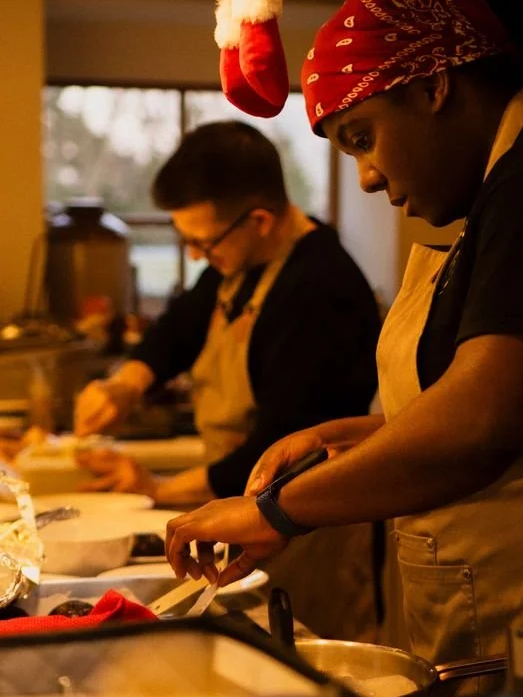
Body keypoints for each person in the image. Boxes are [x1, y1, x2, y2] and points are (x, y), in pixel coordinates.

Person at [164, 0, 523, 697]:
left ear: (433, 87)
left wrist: (274, 511)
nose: (365, 179)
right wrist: (358, 433)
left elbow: (481, 422)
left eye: (362, 137)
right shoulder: (504, 189)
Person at [74, 120, 382, 640]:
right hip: (246, 507)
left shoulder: (319, 290)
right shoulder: (241, 260)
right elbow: (178, 328)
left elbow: (281, 444)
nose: (196, 255)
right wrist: (125, 384)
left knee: (307, 671)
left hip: (309, 528)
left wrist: (159, 489)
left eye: (202, 243)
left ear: (259, 219)